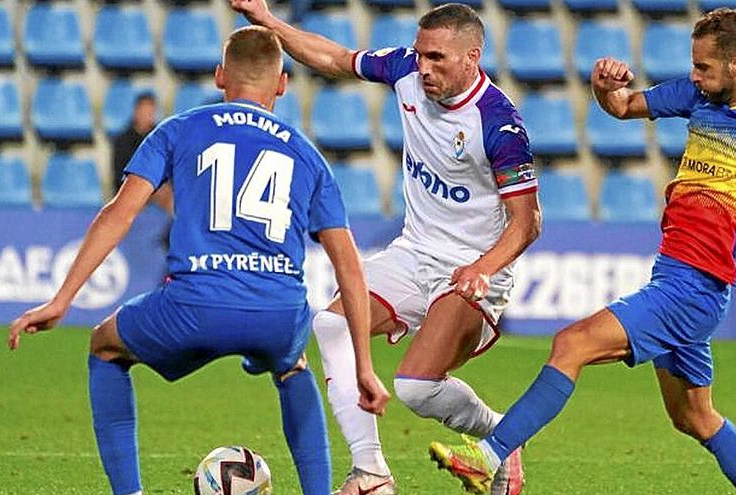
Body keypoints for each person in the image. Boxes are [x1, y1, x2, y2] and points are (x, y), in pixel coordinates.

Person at [429, 8, 736, 494]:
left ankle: (488, 455)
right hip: (677, 278)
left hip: (695, 285)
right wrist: (603, 86)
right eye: (694, 65)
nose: (695, 76)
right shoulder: (697, 95)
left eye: (704, 67)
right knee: (696, 419)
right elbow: (621, 106)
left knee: (571, 344)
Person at [8, 26, 390, 495]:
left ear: (218, 77)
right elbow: (348, 265)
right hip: (277, 311)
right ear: (282, 83)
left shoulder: (179, 129)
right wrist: (364, 368)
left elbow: (119, 214)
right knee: (293, 366)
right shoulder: (306, 154)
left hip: (194, 305)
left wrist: (61, 300)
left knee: (105, 345)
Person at [231, 2, 542, 494]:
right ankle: (371, 473)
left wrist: (483, 267)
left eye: (437, 58)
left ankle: (500, 437)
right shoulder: (405, 72)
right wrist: (270, 23)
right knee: (332, 323)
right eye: (420, 55)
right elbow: (335, 58)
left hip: (473, 272)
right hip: (413, 253)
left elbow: (527, 224)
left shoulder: (499, 124)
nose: (424, 67)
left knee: (415, 387)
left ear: (471, 57)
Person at [112, 92, 173, 213]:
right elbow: (119, 175)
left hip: (158, 186)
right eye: (144, 111)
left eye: (150, 112)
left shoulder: (161, 137)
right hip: (133, 187)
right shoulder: (123, 140)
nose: (147, 115)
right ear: (136, 111)